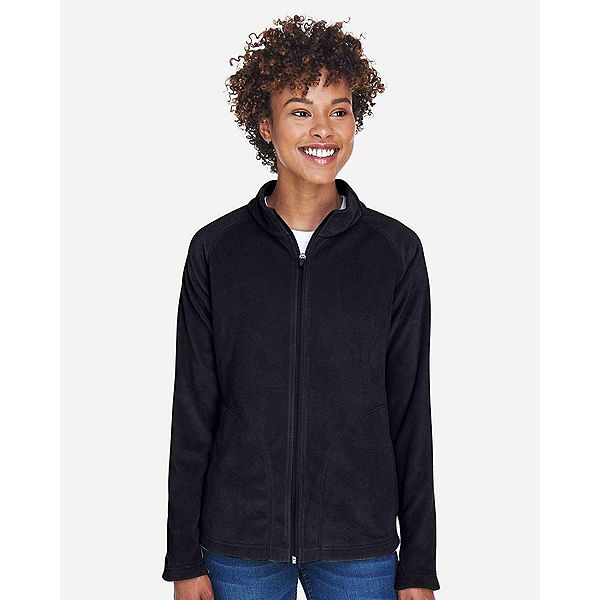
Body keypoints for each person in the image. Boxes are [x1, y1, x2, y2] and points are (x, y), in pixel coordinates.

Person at [162, 14, 440, 600]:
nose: (323, 130)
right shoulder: (216, 251)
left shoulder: (395, 252)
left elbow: (411, 411)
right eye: (300, 111)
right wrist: (182, 557)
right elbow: (193, 410)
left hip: (360, 547)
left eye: (339, 110)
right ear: (265, 125)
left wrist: (418, 565)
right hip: (238, 547)